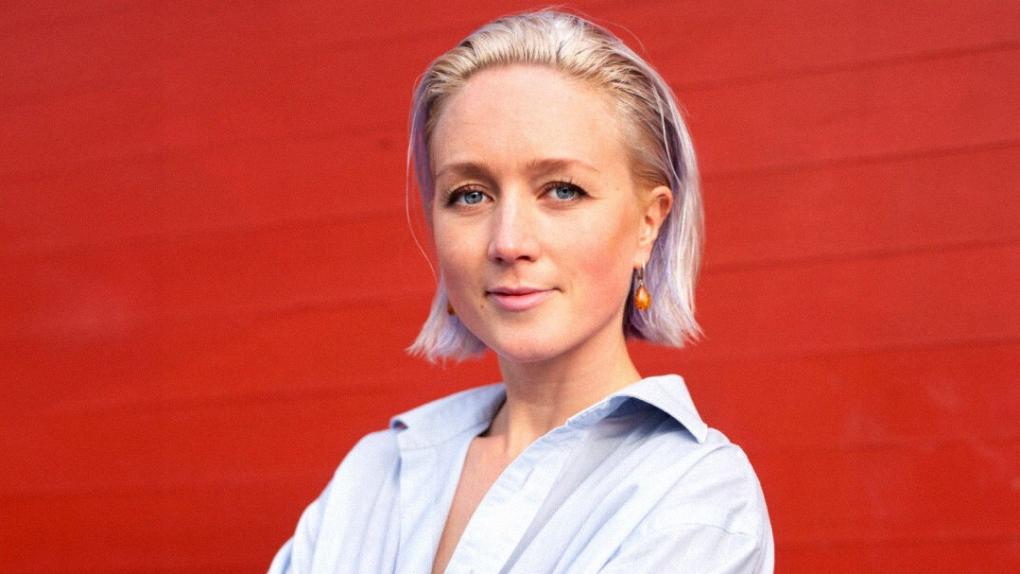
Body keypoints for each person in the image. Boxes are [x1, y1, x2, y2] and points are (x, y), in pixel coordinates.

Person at [269, 9, 773, 573]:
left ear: (647, 224)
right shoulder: (375, 473)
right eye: (470, 194)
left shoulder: (694, 495)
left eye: (563, 190)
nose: (508, 242)